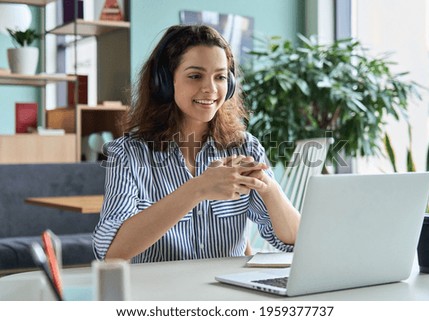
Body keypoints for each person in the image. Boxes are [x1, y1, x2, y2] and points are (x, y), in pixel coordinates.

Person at [92, 24, 301, 263]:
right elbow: (110, 252)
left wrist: (269, 188)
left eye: (220, 77)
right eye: (195, 76)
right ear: (165, 82)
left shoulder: (245, 147)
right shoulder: (128, 154)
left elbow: (295, 242)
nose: (210, 89)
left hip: (227, 296)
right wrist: (198, 188)